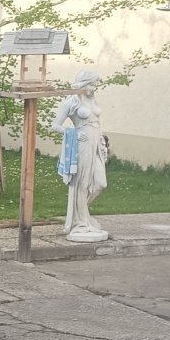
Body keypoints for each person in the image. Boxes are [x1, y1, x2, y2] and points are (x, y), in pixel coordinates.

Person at [53, 69, 109, 241]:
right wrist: (74, 134)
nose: (94, 87)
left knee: (100, 183)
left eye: (95, 84)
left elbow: (96, 122)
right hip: (82, 143)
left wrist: (102, 143)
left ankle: (83, 216)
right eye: (92, 84)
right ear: (83, 83)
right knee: (82, 184)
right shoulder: (72, 101)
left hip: (96, 143)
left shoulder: (92, 99)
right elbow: (55, 125)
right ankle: (80, 223)